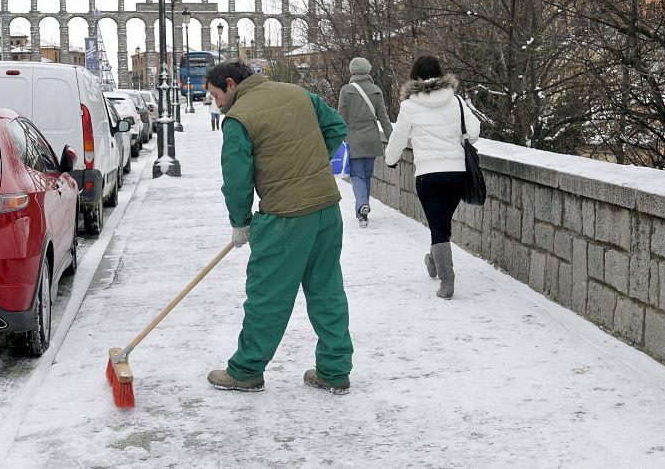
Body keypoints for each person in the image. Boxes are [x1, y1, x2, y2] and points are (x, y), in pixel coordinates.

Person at [205, 60, 354, 395]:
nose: (217, 104)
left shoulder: (238, 119)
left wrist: (240, 222)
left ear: (231, 84)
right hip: (326, 209)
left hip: (284, 217)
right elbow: (336, 127)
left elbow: (237, 180)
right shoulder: (297, 93)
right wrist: (311, 166)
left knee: (267, 296)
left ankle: (245, 370)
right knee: (327, 290)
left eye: (216, 96)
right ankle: (334, 370)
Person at [383, 55, 480, 300]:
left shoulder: (409, 105)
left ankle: (447, 283)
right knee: (442, 223)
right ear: (440, 73)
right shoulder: (456, 100)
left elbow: (398, 137)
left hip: (428, 175)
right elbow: (475, 131)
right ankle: (433, 261)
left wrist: (390, 160)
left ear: (415, 76)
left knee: (438, 226)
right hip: (457, 172)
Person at [337, 57, 393, 228]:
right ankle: (363, 212)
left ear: (352, 71)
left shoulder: (346, 90)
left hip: (354, 139)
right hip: (372, 139)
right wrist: (392, 140)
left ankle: (362, 206)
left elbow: (341, 117)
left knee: (357, 176)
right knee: (367, 175)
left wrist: (337, 140)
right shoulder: (376, 90)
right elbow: (383, 117)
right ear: (368, 71)